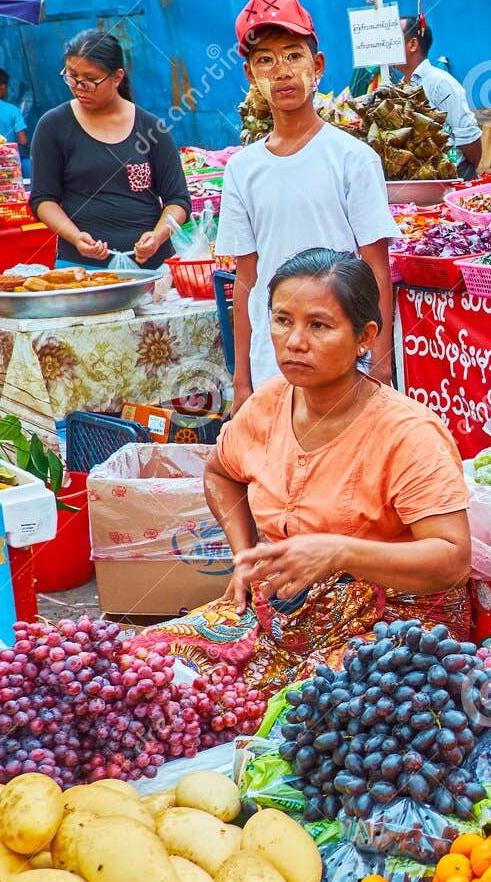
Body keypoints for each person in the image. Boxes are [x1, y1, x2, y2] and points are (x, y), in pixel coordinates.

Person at [134, 249, 472, 697]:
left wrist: (339, 552)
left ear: (364, 337)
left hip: (397, 621)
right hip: (284, 607)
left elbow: (452, 559)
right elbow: (220, 472)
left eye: (319, 325)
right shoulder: (269, 403)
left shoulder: (408, 433)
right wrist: (244, 558)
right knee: (142, 665)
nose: (294, 341)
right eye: (282, 320)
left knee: (303, 716)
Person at [217, 0, 399, 409]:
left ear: (316, 66)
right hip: (273, 356)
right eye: (265, 60)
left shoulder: (353, 159)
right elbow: (245, 280)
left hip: (342, 350)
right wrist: (241, 376)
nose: (281, 71)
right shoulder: (242, 169)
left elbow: (376, 266)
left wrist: (382, 358)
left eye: (293, 55)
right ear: (250, 74)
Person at [29, 30, 191, 267]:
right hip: (82, 268)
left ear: (117, 77)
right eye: (71, 76)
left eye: (90, 80)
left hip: (152, 266)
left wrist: (157, 236)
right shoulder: (53, 126)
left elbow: (178, 199)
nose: (79, 87)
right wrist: (75, 237)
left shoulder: (151, 128)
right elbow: (43, 198)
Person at [401, 15, 483, 180]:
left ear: (412, 44)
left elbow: (469, 138)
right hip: (422, 180)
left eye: (393, 40)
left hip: (452, 177)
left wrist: (461, 173)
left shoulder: (440, 82)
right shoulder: (400, 87)